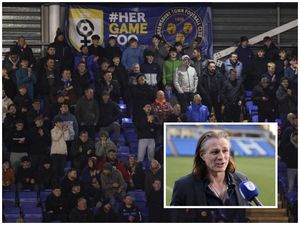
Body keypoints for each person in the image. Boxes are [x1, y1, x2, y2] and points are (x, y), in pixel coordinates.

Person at [170, 131, 251, 206]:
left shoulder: (242, 180)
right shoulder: (183, 186)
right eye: (215, 152)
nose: (221, 157)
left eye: (225, 151)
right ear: (202, 155)